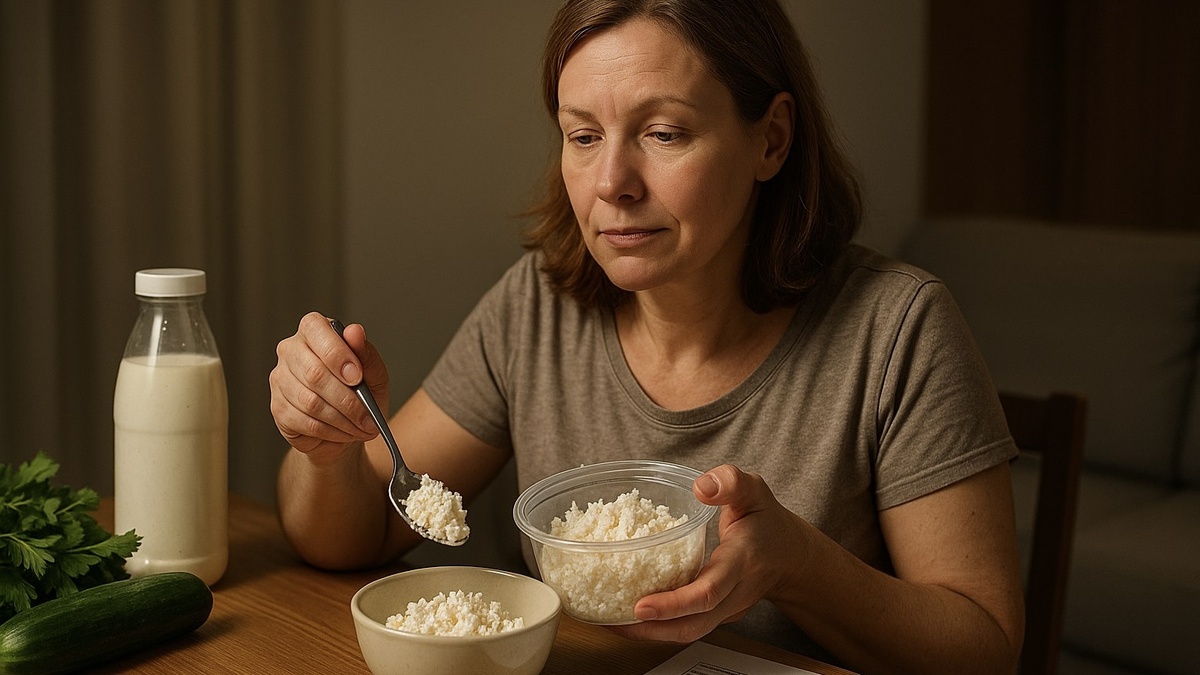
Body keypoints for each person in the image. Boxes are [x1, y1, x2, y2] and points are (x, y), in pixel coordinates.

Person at [269, 1, 1025, 672]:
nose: (612, 183)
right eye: (583, 136)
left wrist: (794, 562)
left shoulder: (898, 328)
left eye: (664, 132)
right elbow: (353, 531)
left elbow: (985, 645)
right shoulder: (536, 307)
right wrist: (325, 449)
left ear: (772, 140)